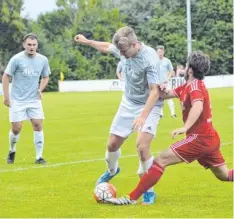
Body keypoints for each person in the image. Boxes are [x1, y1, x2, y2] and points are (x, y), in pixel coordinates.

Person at [105, 51, 233, 205]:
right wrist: (158, 87)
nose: (185, 69)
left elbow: (198, 106)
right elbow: (165, 95)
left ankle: (131, 198)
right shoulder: (188, 86)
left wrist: (185, 127)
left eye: (186, 66)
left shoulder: (195, 88)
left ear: (190, 69)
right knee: (224, 175)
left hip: (200, 139)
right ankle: (134, 197)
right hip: (210, 138)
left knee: (161, 159)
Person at [74, 26, 165, 204]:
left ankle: (148, 190)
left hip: (150, 105)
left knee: (142, 147)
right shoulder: (123, 48)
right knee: (112, 145)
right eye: (120, 51)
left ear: (135, 44)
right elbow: (108, 47)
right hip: (129, 103)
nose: (121, 55)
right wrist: (87, 41)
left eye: (124, 51)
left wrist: (143, 116)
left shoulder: (150, 59)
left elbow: (154, 92)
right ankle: (112, 170)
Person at [2, 33, 51, 164]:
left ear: (37, 45)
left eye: (34, 45)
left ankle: (39, 157)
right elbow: (6, 77)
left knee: (38, 125)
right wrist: (6, 97)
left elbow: (45, 76)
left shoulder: (43, 60)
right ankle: (12, 150)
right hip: (17, 99)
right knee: (16, 128)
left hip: (34, 99)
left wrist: (40, 89)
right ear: (24, 45)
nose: (31, 47)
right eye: (29, 44)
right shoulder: (16, 59)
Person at [156, 45, 176, 118]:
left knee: (169, 97)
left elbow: (171, 71)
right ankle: (160, 114)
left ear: (163, 52)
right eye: (158, 52)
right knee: (159, 98)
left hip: (166, 83)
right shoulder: (154, 61)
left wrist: (167, 78)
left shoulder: (167, 61)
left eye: (161, 51)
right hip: (157, 83)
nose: (160, 53)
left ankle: (173, 113)